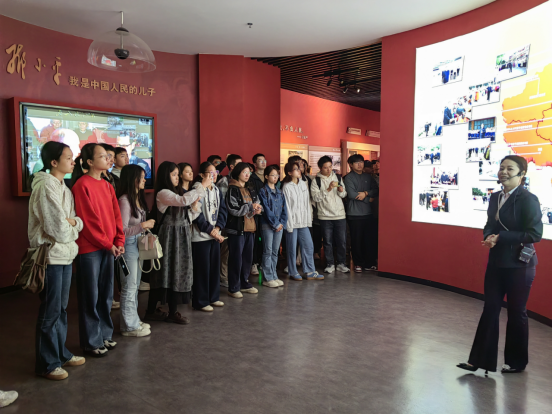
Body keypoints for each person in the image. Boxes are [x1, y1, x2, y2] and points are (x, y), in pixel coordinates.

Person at [457, 155, 543, 374]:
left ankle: (516, 362)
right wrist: (488, 236)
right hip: (496, 261)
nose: (503, 172)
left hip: (520, 265)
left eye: (510, 168)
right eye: (502, 167)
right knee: (490, 308)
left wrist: (501, 238)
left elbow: (534, 234)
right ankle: (479, 360)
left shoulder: (528, 199)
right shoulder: (495, 197)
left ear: (522, 174)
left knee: (516, 312)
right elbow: (490, 224)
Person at [29, 141, 86, 380]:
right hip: (51, 256)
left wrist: (74, 223)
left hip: (65, 255)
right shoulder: (45, 186)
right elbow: (59, 229)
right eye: (68, 158)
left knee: (61, 310)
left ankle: (60, 354)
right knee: (50, 311)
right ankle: (47, 363)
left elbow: (77, 221)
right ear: (54, 162)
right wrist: (73, 225)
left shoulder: (64, 187)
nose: (73, 162)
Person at [72, 143, 125, 357]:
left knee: (106, 294)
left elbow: (116, 215)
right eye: (103, 156)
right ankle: (91, 342)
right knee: (90, 296)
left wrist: (119, 240)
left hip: (109, 247)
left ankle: (104, 335)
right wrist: (108, 244)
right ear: (89, 162)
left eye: (107, 156)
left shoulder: (107, 185)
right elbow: (88, 221)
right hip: (90, 249)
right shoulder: (81, 185)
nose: (108, 159)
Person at [144, 161, 208, 325]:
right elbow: (182, 201)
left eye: (177, 174)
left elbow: (188, 217)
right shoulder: (163, 193)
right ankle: (152, 311)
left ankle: (171, 311)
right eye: (173, 174)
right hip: (168, 238)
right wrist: (201, 186)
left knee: (178, 272)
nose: (177, 177)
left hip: (182, 237)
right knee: (164, 273)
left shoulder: (177, 193)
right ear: (165, 176)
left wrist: (194, 208)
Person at [117, 165, 155, 337]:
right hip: (128, 246)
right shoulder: (124, 201)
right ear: (133, 179)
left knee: (135, 284)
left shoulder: (136, 198)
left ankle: (133, 320)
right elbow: (121, 231)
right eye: (141, 177)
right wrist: (142, 225)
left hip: (137, 244)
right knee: (130, 285)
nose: (144, 180)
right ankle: (129, 326)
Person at [191, 162, 227, 311]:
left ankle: (213, 297)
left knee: (214, 267)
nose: (214, 175)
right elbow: (196, 214)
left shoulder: (217, 189)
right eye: (210, 172)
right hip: (201, 236)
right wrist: (210, 230)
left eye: (215, 172)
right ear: (202, 175)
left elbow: (223, 210)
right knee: (202, 269)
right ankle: (201, 300)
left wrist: (218, 228)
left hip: (214, 235)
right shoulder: (197, 189)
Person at [225, 162, 262, 298]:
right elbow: (233, 209)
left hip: (250, 228)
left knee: (247, 258)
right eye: (244, 172)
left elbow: (257, 203)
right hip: (237, 229)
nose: (247, 175)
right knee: (236, 258)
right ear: (237, 173)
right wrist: (250, 207)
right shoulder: (232, 189)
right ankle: (233, 287)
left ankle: (244, 282)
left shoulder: (250, 188)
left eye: (249, 172)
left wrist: (258, 209)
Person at [282, 161, 322, 281]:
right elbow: (287, 207)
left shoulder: (303, 184)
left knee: (308, 245)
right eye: (296, 169)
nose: (299, 170)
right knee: (291, 248)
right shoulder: (286, 187)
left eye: (299, 168)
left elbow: (307, 203)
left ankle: (310, 271)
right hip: (292, 222)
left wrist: (308, 219)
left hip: (303, 221)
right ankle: (293, 271)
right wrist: (289, 224)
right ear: (289, 172)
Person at [311, 156, 349, 274]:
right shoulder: (316, 181)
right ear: (320, 168)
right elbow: (315, 198)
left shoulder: (338, 177)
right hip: (325, 215)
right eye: (325, 168)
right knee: (327, 241)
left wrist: (341, 191)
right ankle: (330, 264)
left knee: (341, 241)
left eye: (330, 167)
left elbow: (344, 195)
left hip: (340, 215)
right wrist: (328, 189)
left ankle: (341, 263)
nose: (328, 170)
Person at [343, 154, 379, 272]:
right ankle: (358, 263)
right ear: (350, 165)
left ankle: (369, 263)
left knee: (368, 239)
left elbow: (376, 190)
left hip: (368, 213)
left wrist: (365, 193)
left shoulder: (368, 177)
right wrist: (368, 199)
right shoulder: (348, 178)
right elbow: (352, 194)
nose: (360, 165)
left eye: (361, 162)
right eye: (357, 163)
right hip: (355, 214)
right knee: (356, 240)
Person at [258, 165, 288, 287]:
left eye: (277, 175)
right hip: (267, 225)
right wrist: (276, 224)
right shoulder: (263, 191)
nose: (275, 177)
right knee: (268, 251)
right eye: (273, 175)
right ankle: (267, 278)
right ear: (266, 176)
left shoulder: (280, 191)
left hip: (279, 225)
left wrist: (282, 223)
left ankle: (274, 275)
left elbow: (284, 210)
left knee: (275, 251)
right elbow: (265, 210)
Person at [216, 154, 242, 288]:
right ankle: (223, 276)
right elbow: (222, 206)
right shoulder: (224, 182)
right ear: (231, 167)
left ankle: (233, 277)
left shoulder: (241, 182)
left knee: (235, 252)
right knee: (225, 251)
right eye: (239, 164)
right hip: (226, 222)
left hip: (239, 223)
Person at [247, 153, 267, 277]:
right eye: (260, 160)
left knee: (265, 239)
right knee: (256, 238)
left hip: (267, 213)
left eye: (264, 160)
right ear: (255, 164)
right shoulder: (251, 178)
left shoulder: (268, 175)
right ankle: (253, 262)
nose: (263, 162)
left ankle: (262, 262)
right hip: (256, 212)